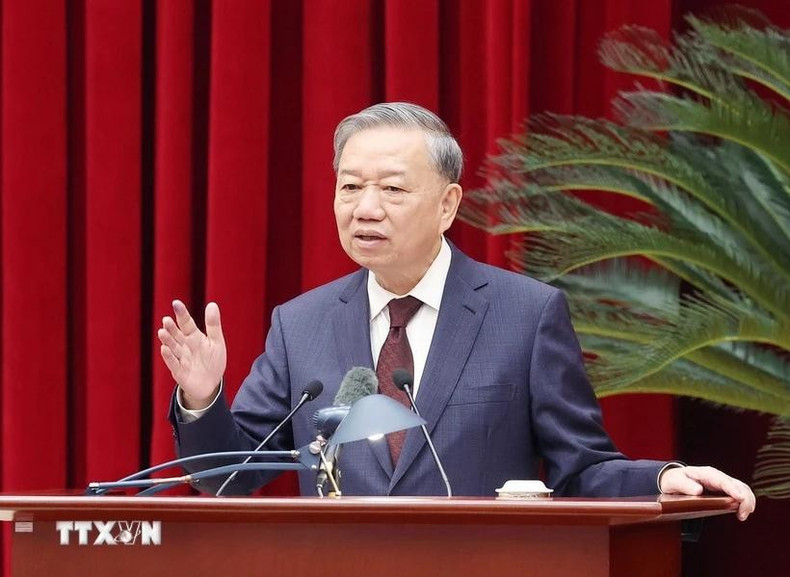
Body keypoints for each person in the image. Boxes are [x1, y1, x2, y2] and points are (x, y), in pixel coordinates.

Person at [159, 102, 755, 520]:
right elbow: (228, 476)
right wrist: (204, 397)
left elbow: (582, 468)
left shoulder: (525, 315)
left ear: (447, 205)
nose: (365, 208)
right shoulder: (301, 323)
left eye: (392, 189)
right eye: (349, 187)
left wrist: (660, 478)